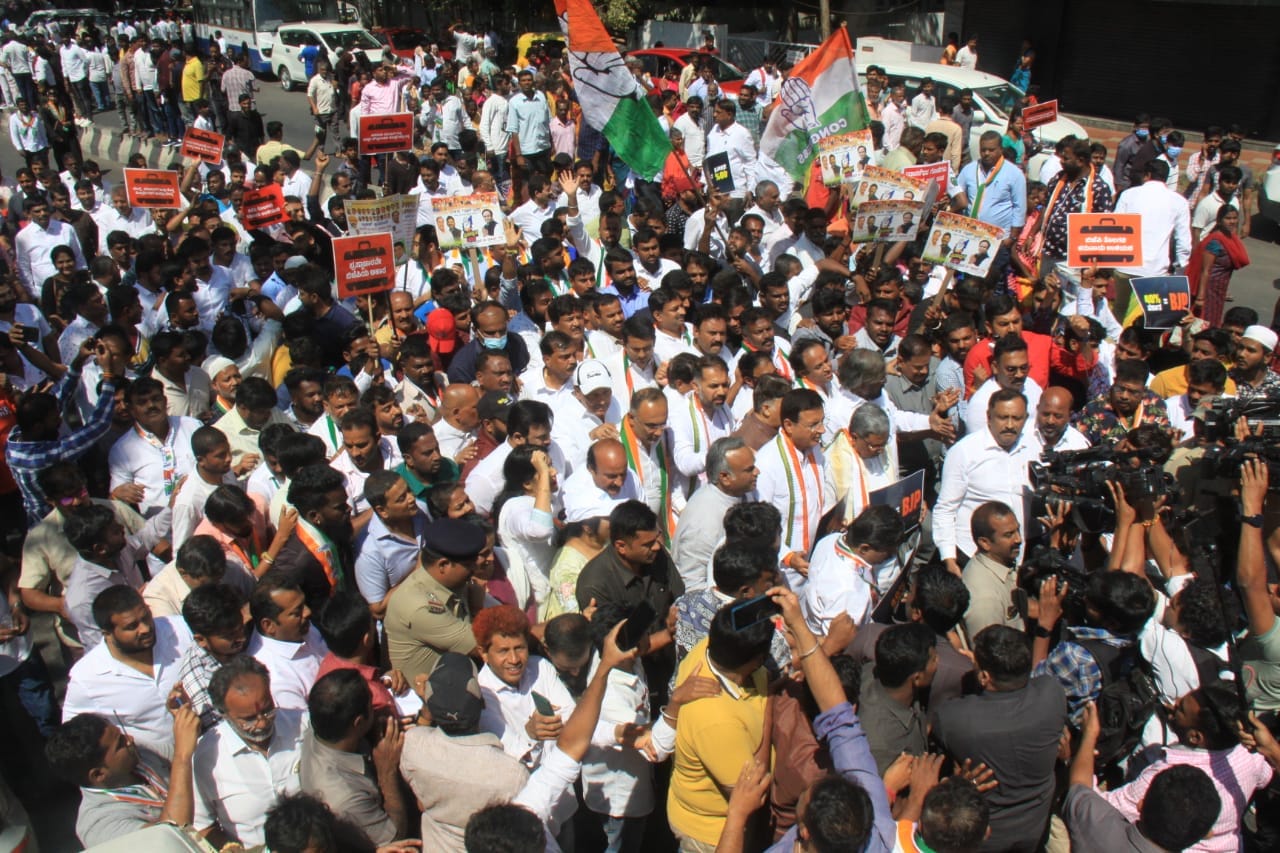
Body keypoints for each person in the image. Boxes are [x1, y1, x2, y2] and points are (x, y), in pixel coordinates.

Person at [933, 626, 1068, 852]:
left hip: (986, 835)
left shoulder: (953, 719)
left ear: (985, 677)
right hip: (1036, 827)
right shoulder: (1053, 695)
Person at [192, 655, 309, 846]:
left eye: (268, 710)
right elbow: (202, 826)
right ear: (224, 714)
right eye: (249, 719)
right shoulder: (205, 759)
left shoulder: (304, 726)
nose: (262, 722)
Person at [45, 706, 200, 849]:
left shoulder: (133, 752)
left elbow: (189, 755)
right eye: (120, 743)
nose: (130, 739)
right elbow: (171, 838)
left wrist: (185, 722)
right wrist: (182, 757)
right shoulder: (98, 825)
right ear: (99, 774)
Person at [62, 585, 193, 751]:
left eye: (146, 617)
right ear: (107, 633)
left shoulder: (181, 629)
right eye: (132, 627)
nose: (145, 628)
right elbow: (75, 738)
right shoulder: (86, 679)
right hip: (160, 766)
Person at [300, 669, 408, 846]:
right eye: (371, 705)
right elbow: (395, 837)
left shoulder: (321, 724)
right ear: (358, 722)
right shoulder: (346, 797)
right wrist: (387, 773)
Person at [935, 390, 1037, 574]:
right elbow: (945, 509)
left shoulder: (1033, 449)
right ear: (989, 417)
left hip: (1018, 558)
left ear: (1026, 418)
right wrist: (949, 559)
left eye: (1017, 418)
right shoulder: (964, 452)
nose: (1009, 425)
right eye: (1003, 417)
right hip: (972, 557)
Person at [383, 517, 486, 684]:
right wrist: (478, 609)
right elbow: (486, 647)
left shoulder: (455, 582)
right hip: (426, 701)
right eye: (469, 564)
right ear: (443, 565)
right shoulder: (418, 605)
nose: (475, 568)